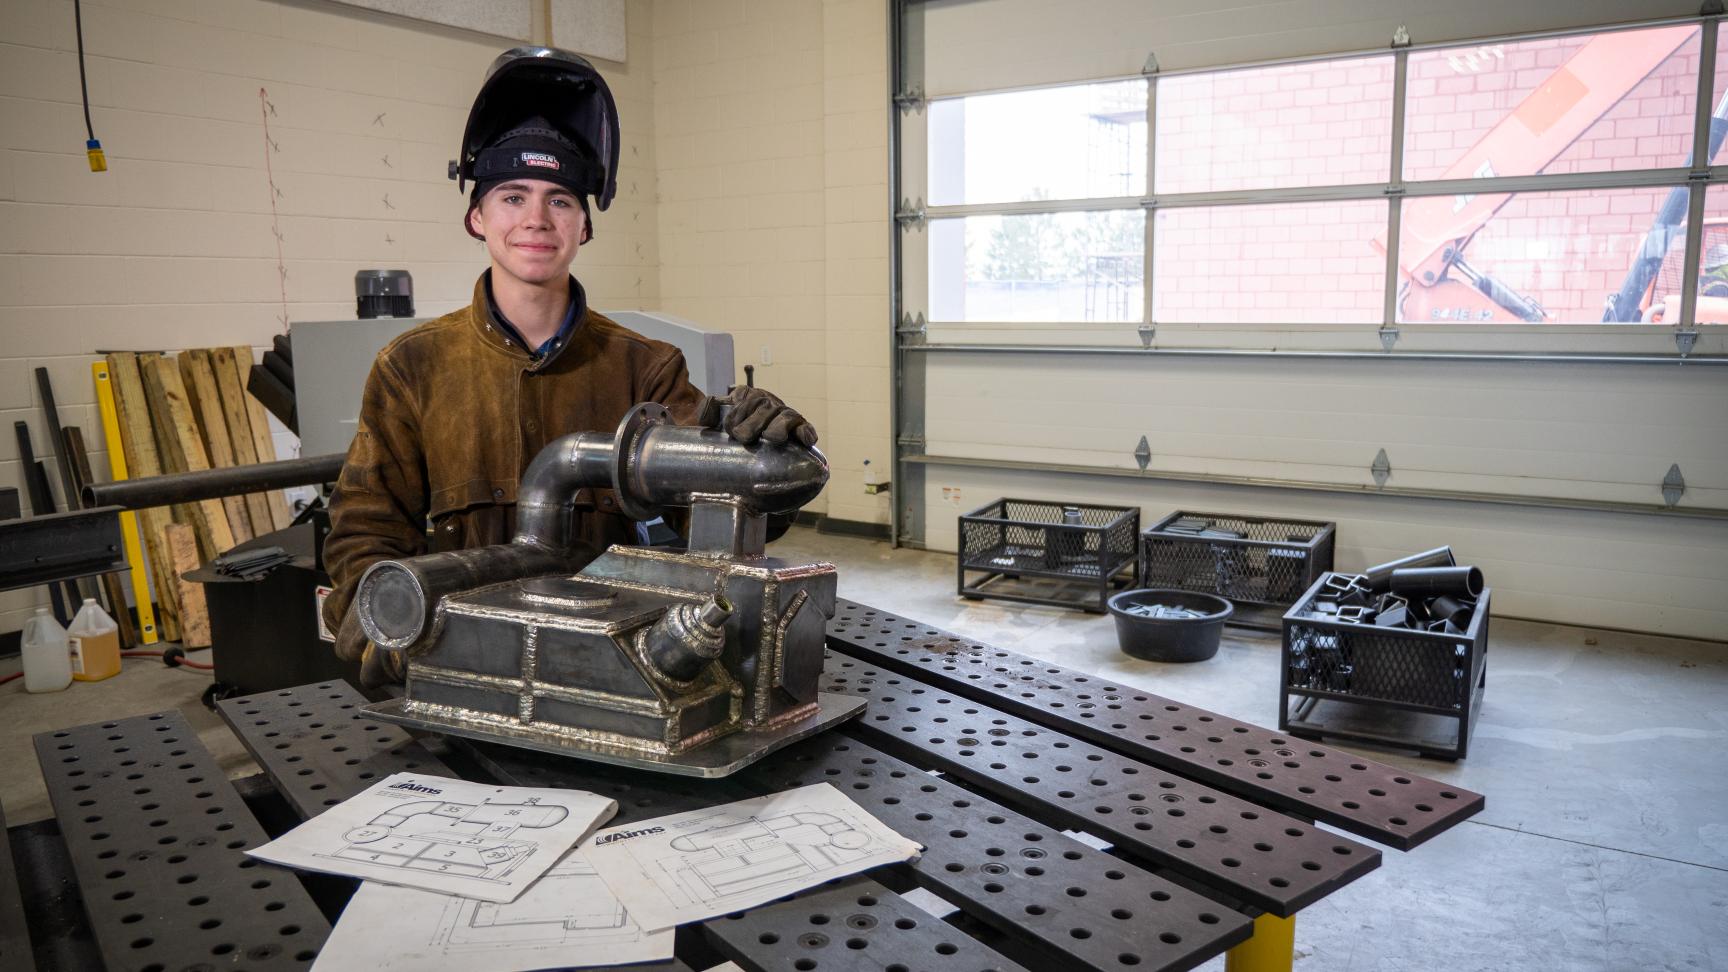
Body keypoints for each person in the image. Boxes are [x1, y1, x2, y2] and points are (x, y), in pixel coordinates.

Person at [321, 48, 815, 687]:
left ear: (585, 225)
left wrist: (761, 464)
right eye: (512, 196)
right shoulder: (413, 368)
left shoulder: (645, 368)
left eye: (560, 200)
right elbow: (364, 531)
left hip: (612, 669)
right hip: (455, 663)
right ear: (477, 217)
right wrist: (385, 627)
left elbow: (715, 515)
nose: (535, 219)